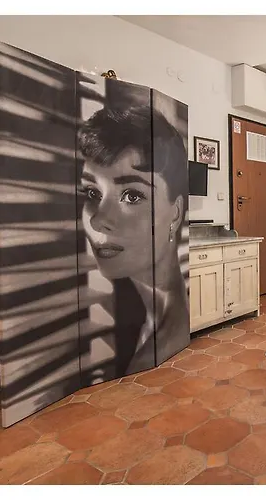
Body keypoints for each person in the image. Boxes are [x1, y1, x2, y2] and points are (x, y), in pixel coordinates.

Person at [77, 104, 188, 377]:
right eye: (92, 193)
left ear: (175, 213)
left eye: (132, 196)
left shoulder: (155, 348)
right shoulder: (137, 318)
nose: (99, 219)